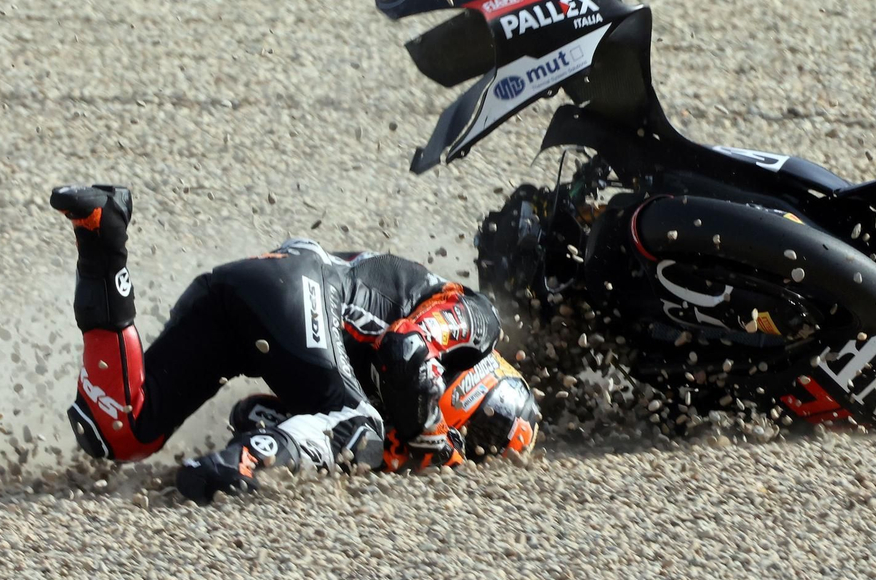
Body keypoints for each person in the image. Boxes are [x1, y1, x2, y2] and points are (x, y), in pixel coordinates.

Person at [50, 184, 540, 502]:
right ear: (486, 383)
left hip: (249, 300)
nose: (468, 448)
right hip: (300, 285)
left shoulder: (370, 388)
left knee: (123, 431)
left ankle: (102, 239)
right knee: (360, 429)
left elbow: (250, 412)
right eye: (483, 436)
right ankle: (239, 464)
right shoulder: (478, 319)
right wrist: (437, 451)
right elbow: (405, 349)